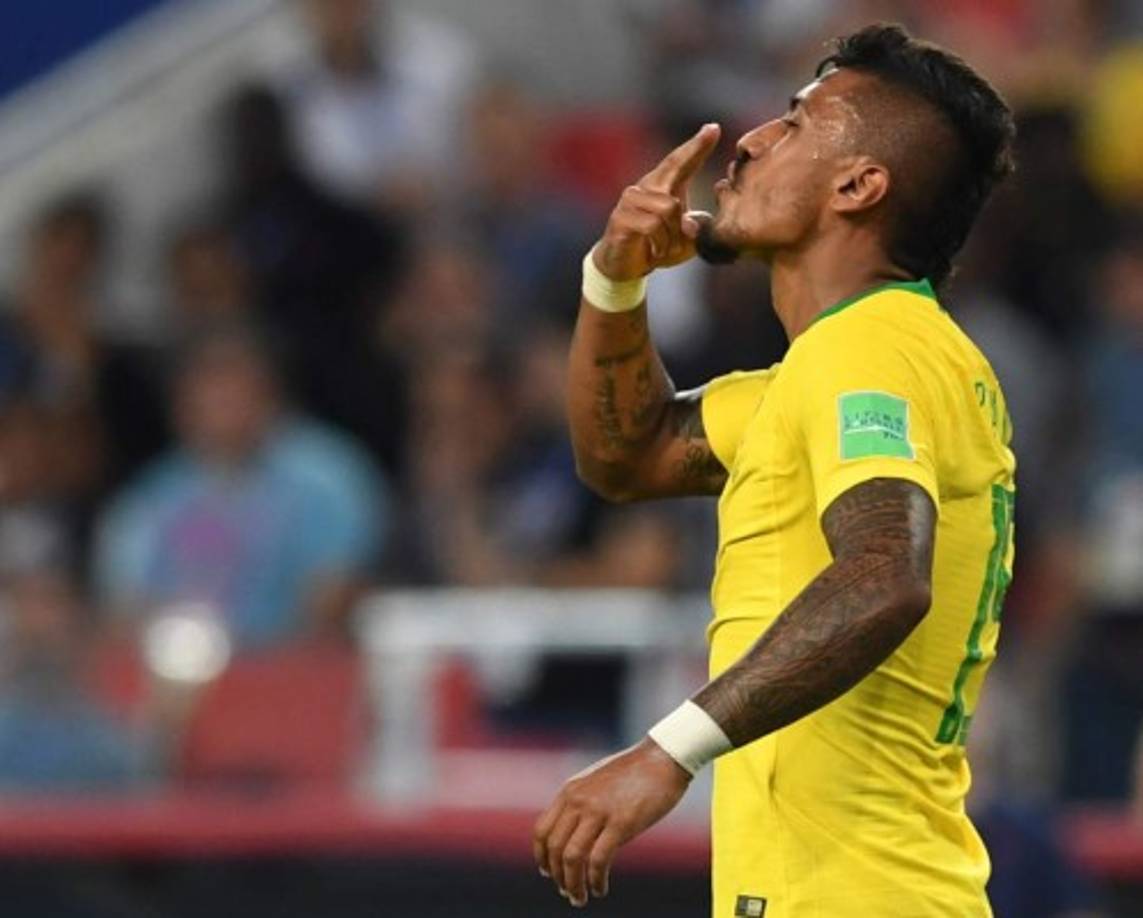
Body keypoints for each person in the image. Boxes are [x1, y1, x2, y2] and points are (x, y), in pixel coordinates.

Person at [533, 23, 1017, 916]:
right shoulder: (843, 369)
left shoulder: (868, 349)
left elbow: (882, 575)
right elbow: (625, 456)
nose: (750, 139)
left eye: (794, 125)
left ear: (858, 185)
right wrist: (615, 282)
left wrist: (664, 752)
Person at [95, 326, 387, 650]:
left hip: (294, 674)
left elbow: (334, 599)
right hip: (184, 679)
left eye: (235, 383)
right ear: (180, 404)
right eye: (207, 383)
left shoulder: (327, 477)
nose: (222, 400)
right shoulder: (150, 499)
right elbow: (124, 611)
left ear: (271, 393)